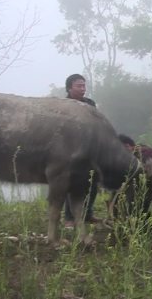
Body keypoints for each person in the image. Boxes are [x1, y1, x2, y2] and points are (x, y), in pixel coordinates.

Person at [63, 74, 100, 228]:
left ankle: (88, 213)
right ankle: (69, 218)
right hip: (69, 149)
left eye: (84, 85)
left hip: (90, 148)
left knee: (93, 181)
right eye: (79, 86)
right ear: (69, 88)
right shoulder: (63, 105)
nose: (83, 89)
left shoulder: (90, 103)